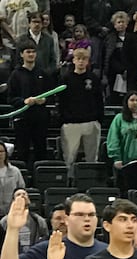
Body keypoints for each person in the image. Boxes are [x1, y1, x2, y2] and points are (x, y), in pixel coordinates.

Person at [58, 48, 103, 179]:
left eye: (84, 59)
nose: (81, 61)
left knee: (91, 157)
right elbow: (61, 101)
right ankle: (69, 181)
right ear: (74, 60)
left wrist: (98, 118)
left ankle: (90, 180)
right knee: (70, 157)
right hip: (71, 123)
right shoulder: (65, 78)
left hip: (91, 122)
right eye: (78, 59)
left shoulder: (93, 79)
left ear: (88, 61)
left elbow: (99, 100)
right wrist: (64, 119)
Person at [7, 40, 48, 169]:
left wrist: (44, 100)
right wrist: (23, 101)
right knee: (22, 150)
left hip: (40, 118)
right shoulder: (15, 74)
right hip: (22, 118)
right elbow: (10, 98)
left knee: (41, 149)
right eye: (28, 52)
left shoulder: (42, 73)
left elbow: (51, 94)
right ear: (21, 54)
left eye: (33, 52)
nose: (31, 54)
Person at [102, 11, 130, 105]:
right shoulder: (109, 38)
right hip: (114, 74)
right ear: (114, 25)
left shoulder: (132, 37)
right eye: (118, 22)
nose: (121, 24)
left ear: (127, 24)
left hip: (130, 73)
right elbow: (109, 57)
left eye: (123, 22)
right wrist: (121, 70)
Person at [0, 142, 24, 217]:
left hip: (12, 212)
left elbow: (21, 190)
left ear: (6, 153)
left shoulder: (15, 171)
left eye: (1, 151)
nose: (0, 154)